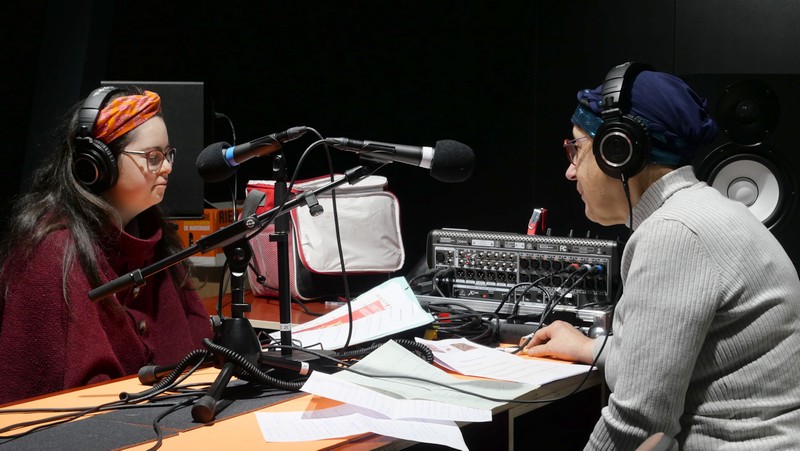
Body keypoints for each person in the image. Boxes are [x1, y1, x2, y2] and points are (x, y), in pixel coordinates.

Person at [523, 63, 800, 449]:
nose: (570, 171)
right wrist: (590, 348)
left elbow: (638, 421)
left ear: (617, 151)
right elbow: (675, 362)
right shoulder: (707, 212)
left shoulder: (676, 232)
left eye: (577, 149)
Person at [0, 86, 213, 404]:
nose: (168, 167)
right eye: (153, 157)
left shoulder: (156, 242)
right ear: (98, 165)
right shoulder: (53, 253)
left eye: (168, 155)